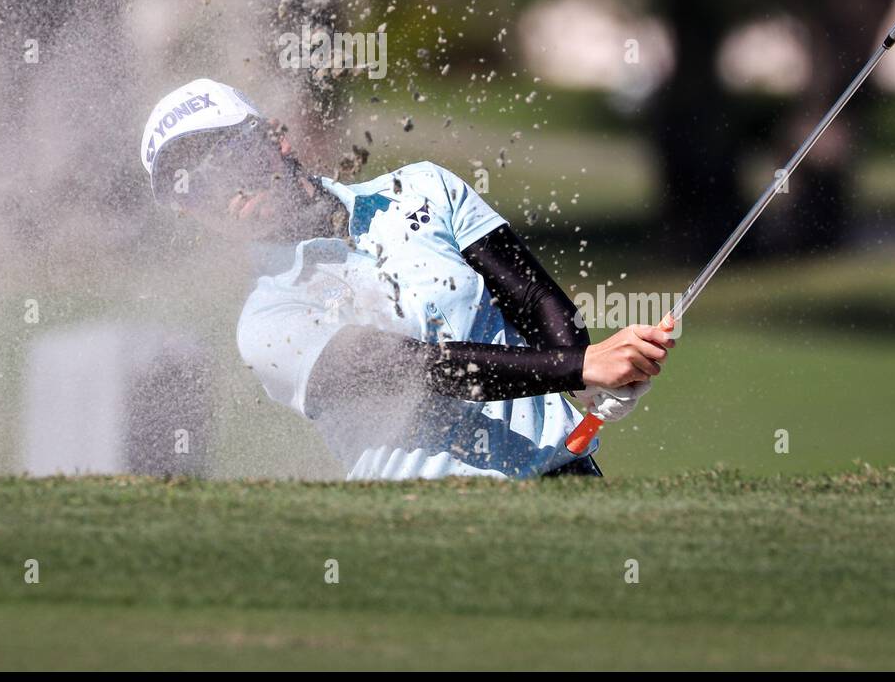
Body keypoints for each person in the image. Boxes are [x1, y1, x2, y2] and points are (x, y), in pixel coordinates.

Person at [141, 78, 675, 480]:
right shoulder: (266, 324)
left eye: (227, 154)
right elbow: (419, 367)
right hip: (420, 525)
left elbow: (532, 297)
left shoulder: (422, 189)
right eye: (193, 186)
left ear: (275, 140)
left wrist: (584, 373)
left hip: (566, 482)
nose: (223, 188)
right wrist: (578, 369)